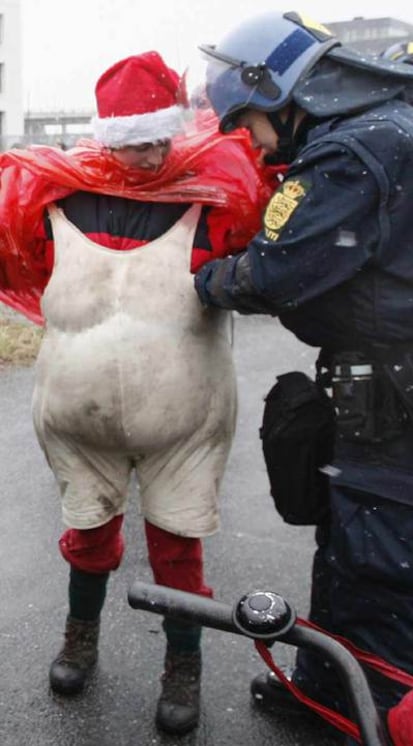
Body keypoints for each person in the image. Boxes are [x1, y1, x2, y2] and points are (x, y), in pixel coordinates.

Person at [0, 51, 273, 736]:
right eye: (133, 138)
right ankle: (79, 636)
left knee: (178, 547)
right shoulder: (53, 198)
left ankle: (184, 666)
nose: (150, 152)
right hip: (77, 426)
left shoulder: (211, 201)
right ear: (108, 138)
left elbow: (260, 259)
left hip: (184, 429)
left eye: (159, 135)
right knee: (87, 534)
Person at [193, 10, 413, 745]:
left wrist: (207, 280)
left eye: (251, 121)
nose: (252, 141)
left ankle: (372, 714)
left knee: (376, 555)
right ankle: (323, 681)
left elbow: (275, 273)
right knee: (347, 533)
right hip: (385, 384)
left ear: (282, 90)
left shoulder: (353, 152)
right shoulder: (394, 119)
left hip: (391, 395)